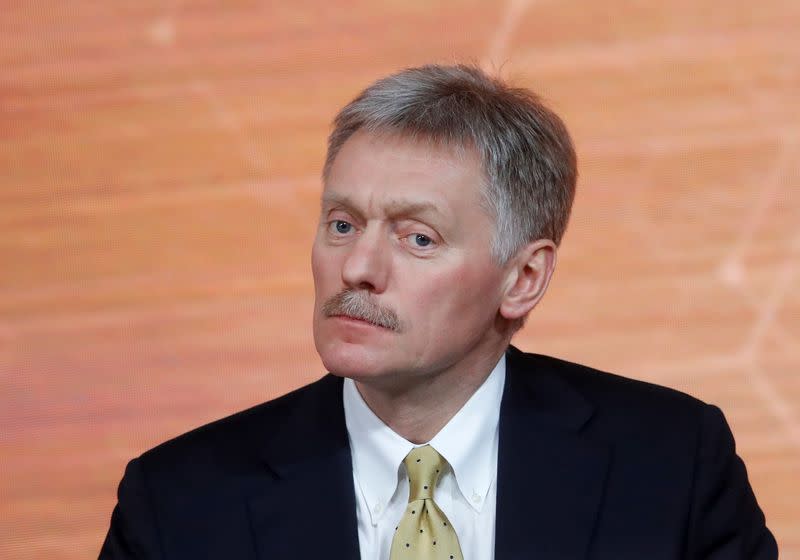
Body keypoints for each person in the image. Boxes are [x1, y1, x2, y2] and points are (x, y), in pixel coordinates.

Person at [99, 64, 778, 559]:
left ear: (524, 278)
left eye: (416, 237)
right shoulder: (180, 504)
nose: (358, 268)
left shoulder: (670, 465)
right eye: (341, 224)